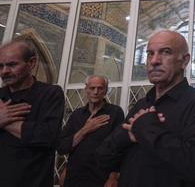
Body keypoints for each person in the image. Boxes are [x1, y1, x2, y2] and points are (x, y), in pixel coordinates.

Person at [96, 30, 195, 187]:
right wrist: (125, 136)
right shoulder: (141, 105)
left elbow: (193, 166)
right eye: (149, 54)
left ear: (184, 60)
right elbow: (102, 159)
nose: (154, 61)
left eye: (165, 52)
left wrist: (146, 128)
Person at [0, 40, 65, 187]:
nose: (4, 71)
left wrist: (5, 120)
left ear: (31, 63)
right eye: (0, 66)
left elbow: (47, 137)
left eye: (11, 64)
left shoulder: (50, 93)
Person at [58, 75, 124, 187]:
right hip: (74, 177)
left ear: (106, 91)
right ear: (86, 90)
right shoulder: (77, 115)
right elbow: (62, 147)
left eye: (100, 88)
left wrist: (113, 177)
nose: (95, 92)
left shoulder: (115, 113)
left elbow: (120, 147)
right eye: (92, 88)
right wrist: (85, 129)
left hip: (101, 178)